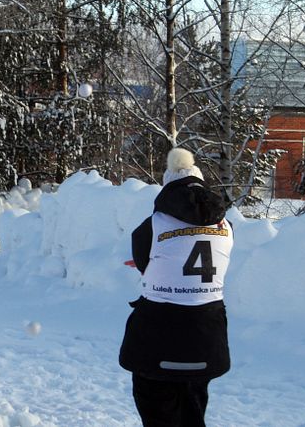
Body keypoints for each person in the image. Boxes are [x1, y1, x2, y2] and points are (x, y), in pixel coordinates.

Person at [119, 147, 234, 427]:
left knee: (158, 412)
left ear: (168, 188)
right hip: (206, 337)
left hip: (157, 336)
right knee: (193, 414)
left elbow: (148, 263)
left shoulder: (153, 225)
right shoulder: (226, 225)